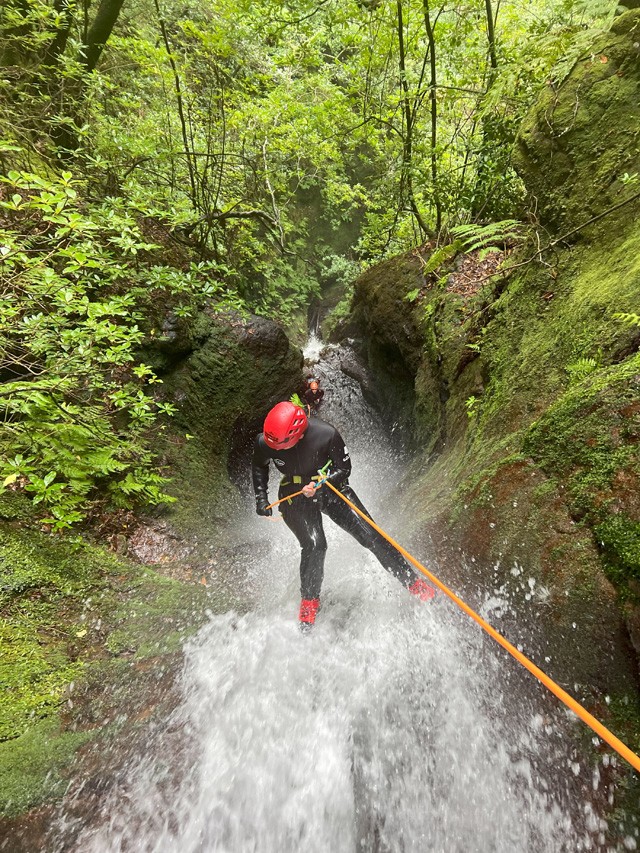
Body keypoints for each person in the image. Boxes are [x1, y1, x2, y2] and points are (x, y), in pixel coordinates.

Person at [252, 401, 435, 631]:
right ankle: (309, 601)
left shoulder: (326, 435)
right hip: (294, 492)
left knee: (371, 536)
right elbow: (259, 465)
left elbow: (344, 469)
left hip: (332, 489)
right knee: (315, 545)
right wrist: (261, 497)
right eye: (272, 446)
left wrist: (321, 483)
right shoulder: (267, 442)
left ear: (296, 435)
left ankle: (411, 581)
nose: (275, 450)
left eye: (280, 447)